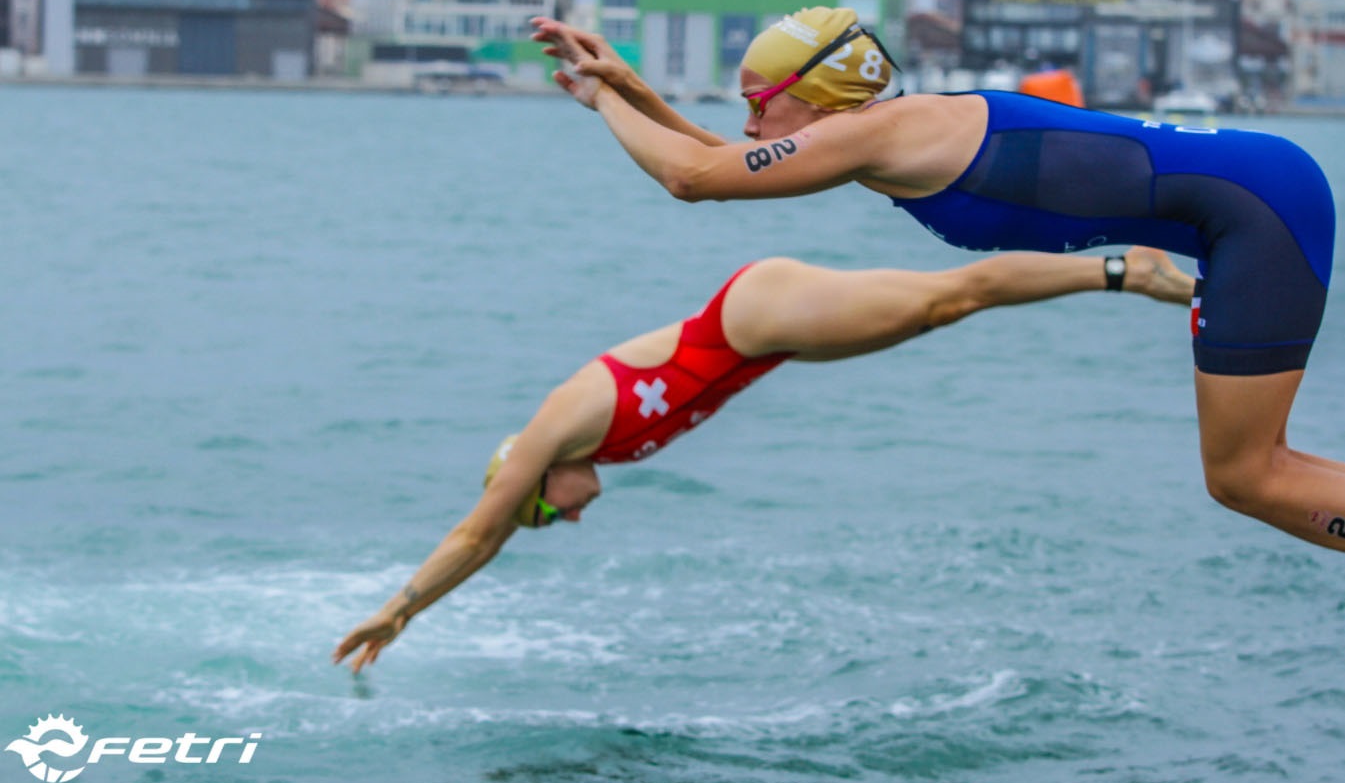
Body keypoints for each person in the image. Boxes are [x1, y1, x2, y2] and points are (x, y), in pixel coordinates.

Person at [530, 7, 1343, 553]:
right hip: (1250, 203)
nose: (747, 125)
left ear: (810, 95)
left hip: (1253, 210)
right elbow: (723, 162)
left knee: (1245, 475)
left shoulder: (884, 133)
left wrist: (604, 101)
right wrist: (632, 87)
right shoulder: (881, 137)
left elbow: (694, 178)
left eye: (757, 104)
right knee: (1249, 472)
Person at [332, 247, 1194, 673]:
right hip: (768, 342)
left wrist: (394, 609)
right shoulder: (593, 450)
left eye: (552, 510)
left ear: (527, 479)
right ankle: (1120, 271)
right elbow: (491, 536)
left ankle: (1125, 269)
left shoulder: (548, 429)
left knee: (945, 298)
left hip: (752, 315)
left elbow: (479, 533)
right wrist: (410, 618)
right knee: (944, 307)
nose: (571, 515)